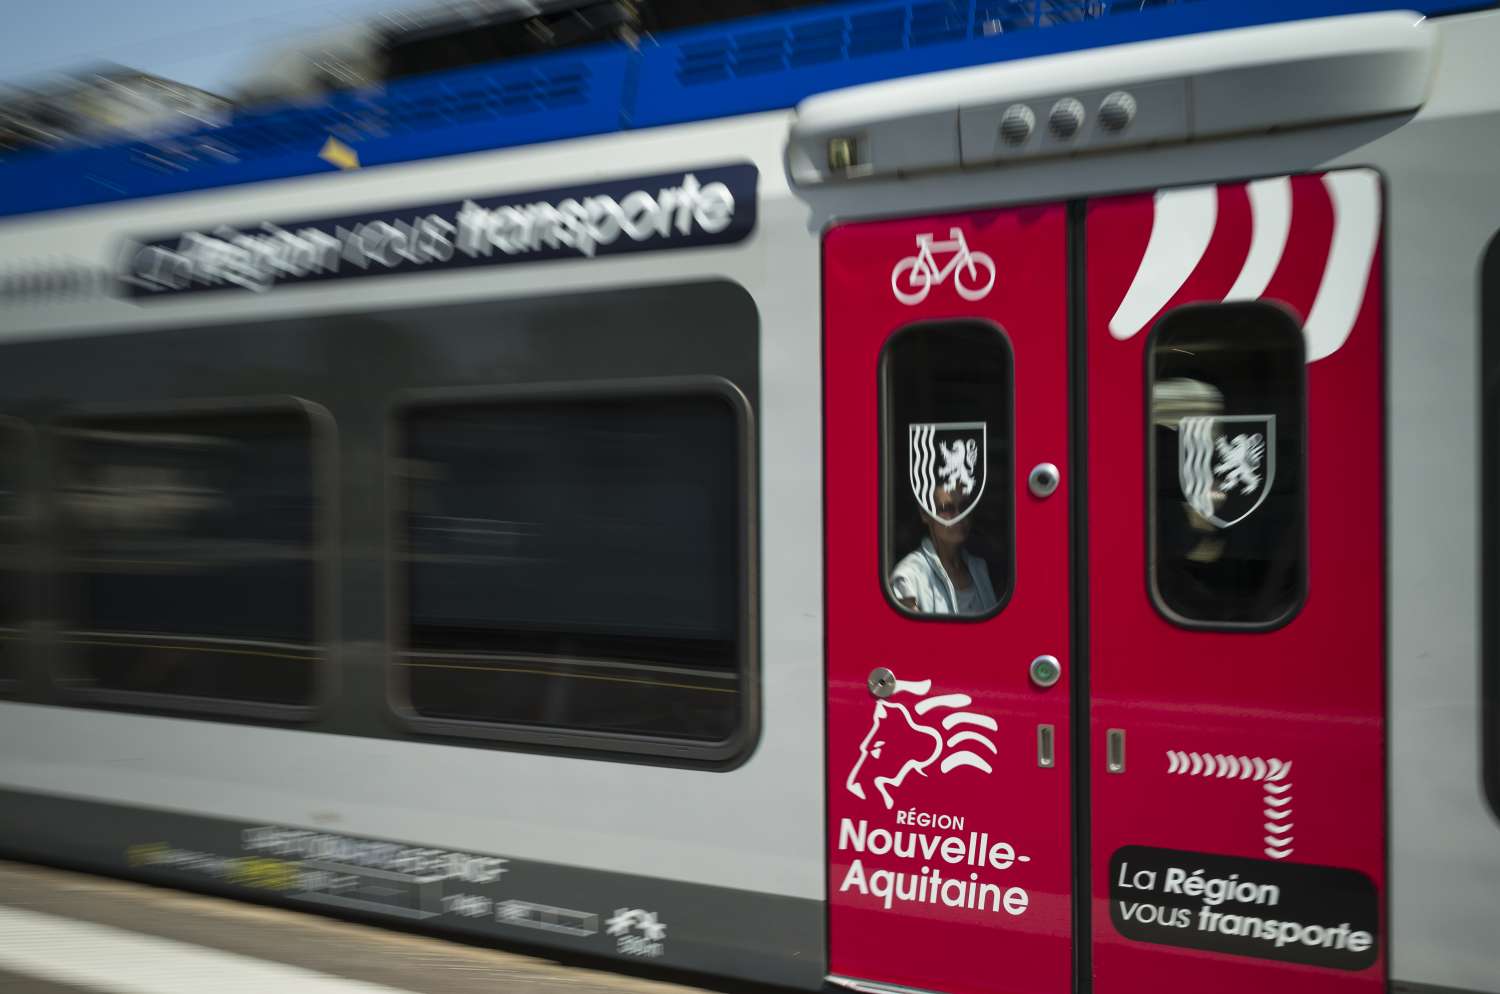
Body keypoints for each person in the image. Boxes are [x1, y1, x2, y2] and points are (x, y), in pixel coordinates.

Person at [890, 485, 997, 616]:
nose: (959, 516)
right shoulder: (908, 577)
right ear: (925, 514)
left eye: (964, 507)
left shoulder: (980, 568)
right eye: (947, 508)